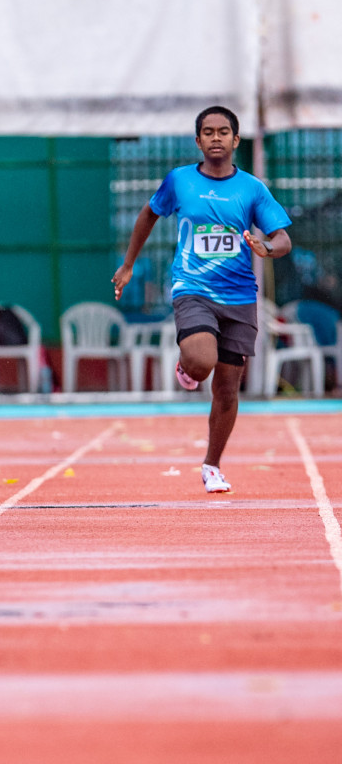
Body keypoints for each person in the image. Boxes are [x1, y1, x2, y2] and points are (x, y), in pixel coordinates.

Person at [112, 105, 291, 494]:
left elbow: (283, 238)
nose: (215, 138)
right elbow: (147, 215)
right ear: (197, 141)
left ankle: (212, 465)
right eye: (207, 132)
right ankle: (188, 366)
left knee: (228, 388)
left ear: (235, 140)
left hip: (240, 296)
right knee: (201, 361)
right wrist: (128, 265)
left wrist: (266, 246)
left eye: (223, 132)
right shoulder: (179, 181)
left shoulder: (251, 189)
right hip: (193, 289)